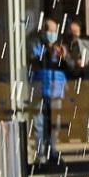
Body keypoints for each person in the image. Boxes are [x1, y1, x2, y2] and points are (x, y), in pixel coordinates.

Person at [27, 17, 67, 163]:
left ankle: (53, 151)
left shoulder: (60, 45)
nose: (52, 33)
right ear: (43, 31)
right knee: (39, 122)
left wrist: (64, 55)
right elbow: (33, 56)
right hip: (39, 86)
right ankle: (40, 154)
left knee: (54, 123)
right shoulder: (35, 42)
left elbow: (68, 64)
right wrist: (47, 50)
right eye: (50, 31)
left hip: (56, 88)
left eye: (54, 31)